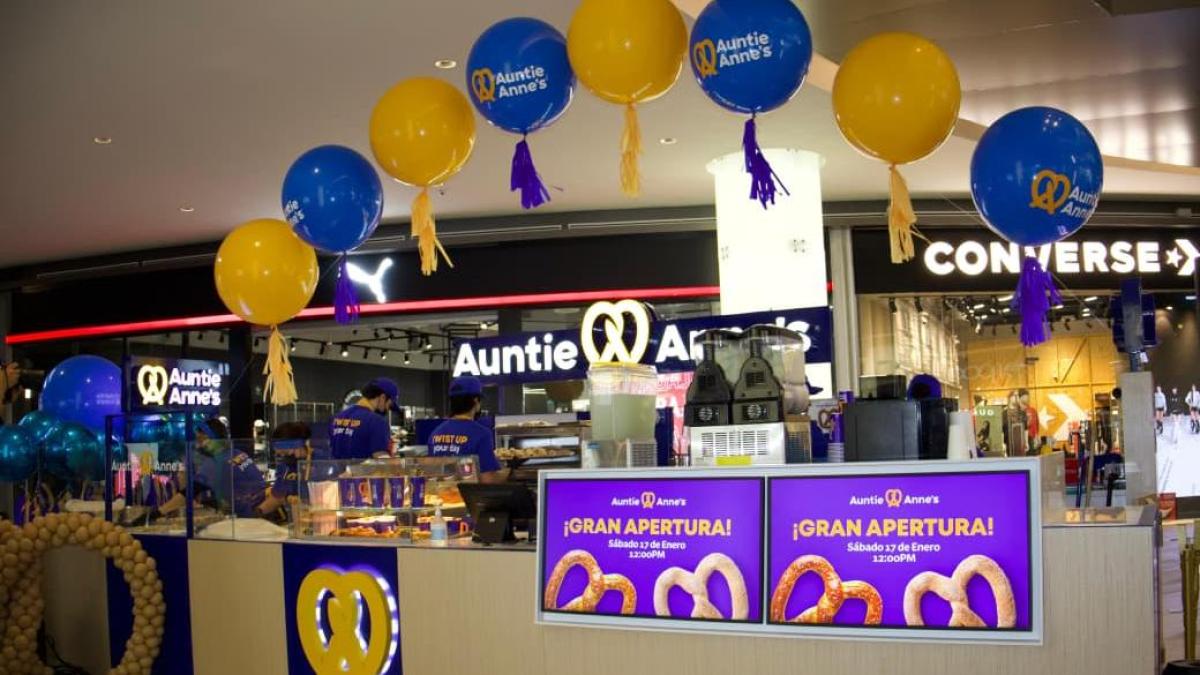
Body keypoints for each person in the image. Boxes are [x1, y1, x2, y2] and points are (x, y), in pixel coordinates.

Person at [155, 418, 269, 520]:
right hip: (263, 512)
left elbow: (190, 492)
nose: (199, 445)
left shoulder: (217, 462)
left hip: (247, 518)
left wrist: (159, 512)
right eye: (198, 440)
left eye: (202, 439)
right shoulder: (239, 454)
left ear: (214, 438)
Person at [428, 376, 502, 482]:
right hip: (470, 496)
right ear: (476, 400)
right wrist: (509, 474)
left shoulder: (435, 434)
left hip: (442, 496)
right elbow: (488, 478)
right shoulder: (482, 434)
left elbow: (433, 475)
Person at [258, 421, 337, 515]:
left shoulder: (324, 461)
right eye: (280, 454)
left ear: (300, 445)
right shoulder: (285, 465)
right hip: (299, 520)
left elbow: (332, 495)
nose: (284, 457)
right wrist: (258, 512)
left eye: (286, 453)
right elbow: (278, 496)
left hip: (325, 517)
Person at [329, 378, 399, 460]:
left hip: (338, 472)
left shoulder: (337, 417)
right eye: (389, 404)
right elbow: (381, 458)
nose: (387, 409)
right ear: (382, 397)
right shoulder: (377, 422)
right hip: (363, 472)